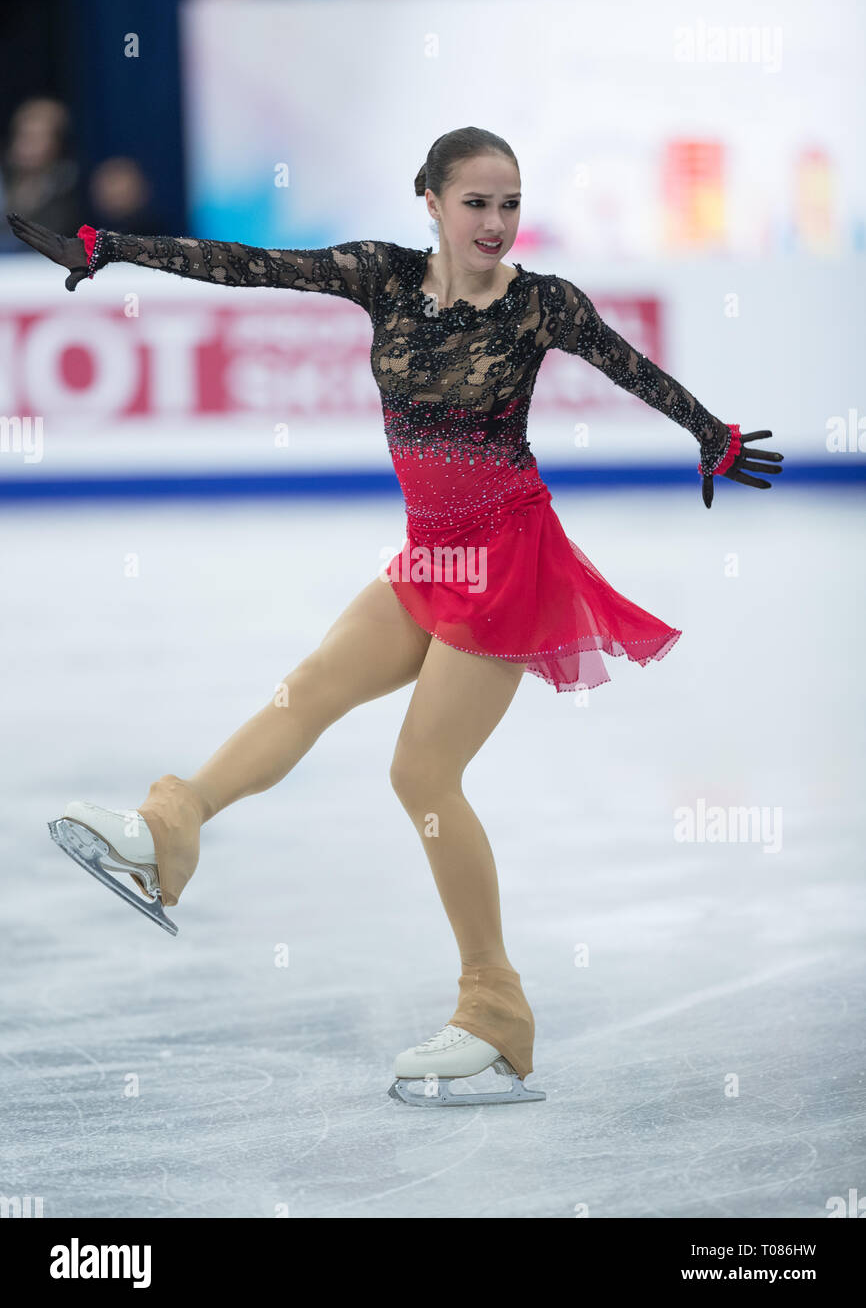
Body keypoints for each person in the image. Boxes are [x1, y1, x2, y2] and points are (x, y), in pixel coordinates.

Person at [7, 126, 782, 1106]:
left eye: (508, 203)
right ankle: (169, 830)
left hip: (503, 558)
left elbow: (634, 370)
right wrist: (114, 248)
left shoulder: (542, 304)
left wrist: (709, 436)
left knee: (421, 771)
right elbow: (251, 265)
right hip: (430, 554)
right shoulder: (380, 274)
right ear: (429, 201)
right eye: (475, 202)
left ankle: (493, 1013)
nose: (495, 221)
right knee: (310, 687)